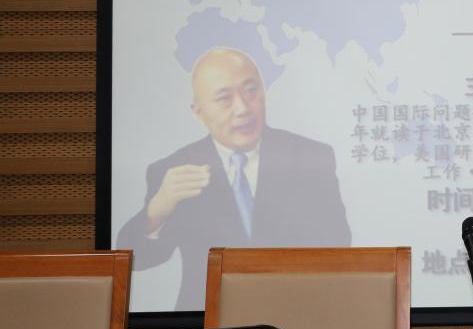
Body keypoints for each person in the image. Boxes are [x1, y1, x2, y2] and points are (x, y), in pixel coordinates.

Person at [117, 47, 351, 310]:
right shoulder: (174, 171)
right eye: (224, 98)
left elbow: (338, 242)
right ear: (198, 111)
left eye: (251, 91)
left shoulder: (309, 157)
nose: (242, 108)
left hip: (295, 315)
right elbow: (138, 259)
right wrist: (158, 209)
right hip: (207, 321)